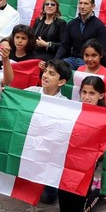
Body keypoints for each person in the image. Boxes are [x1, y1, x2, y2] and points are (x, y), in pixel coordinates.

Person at [58, 76, 106, 212]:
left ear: (101, 95)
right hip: (67, 163)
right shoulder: (72, 110)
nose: (87, 97)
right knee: (64, 210)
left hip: (87, 166)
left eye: (92, 93)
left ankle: (100, 192)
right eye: (84, 92)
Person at [25, 58, 72, 204]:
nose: (45, 75)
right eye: (45, 71)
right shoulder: (31, 92)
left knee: (47, 198)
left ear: (61, 82)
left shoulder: (66, 105)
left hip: (49, 158)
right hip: (29, 150)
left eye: (51, 74)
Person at [55, 0, 106, 70]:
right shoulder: (72, 24)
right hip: (72, 59)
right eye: (80, 3)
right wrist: (55, 60)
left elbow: (101, 50)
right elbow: (64, 46)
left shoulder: (99, 26)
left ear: (92, 6)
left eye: (86, 4)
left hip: (89, 61)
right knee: (58, 68)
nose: (82, 7)